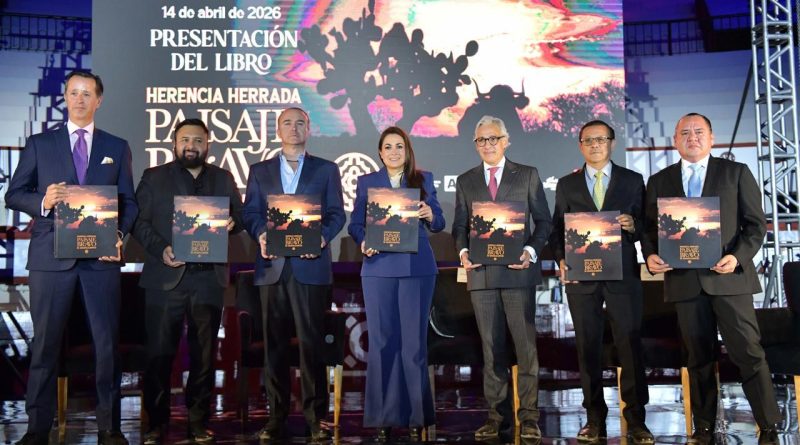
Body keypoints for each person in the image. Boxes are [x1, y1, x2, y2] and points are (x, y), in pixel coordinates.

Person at [6, 71, 137, 445]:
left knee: (106, 345)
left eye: (87, 93)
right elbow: (14, 194)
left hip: (100, 261)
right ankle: (37, 428)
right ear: (65, 97)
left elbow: (128, 202)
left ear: (99, 100)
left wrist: (117, 234)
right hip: (50, 258)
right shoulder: (40, 144)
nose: (80, 99)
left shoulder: (117, 146)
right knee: (45, 345)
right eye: (74, 92)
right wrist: (43, 201)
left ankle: (109, 427)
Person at [641, 113, 780, 445]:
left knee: (748, 352)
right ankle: (703, 426)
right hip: (685, 283)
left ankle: (769, 424)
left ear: (712, 138)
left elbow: (756, 224)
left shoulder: (735, 172)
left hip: (729, 279)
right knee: (698, 357)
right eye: (685, 132)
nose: (692, 137)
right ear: (675, 140)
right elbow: (648, 228)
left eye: (699, 131)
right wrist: (650, 254)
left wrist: (738, 257)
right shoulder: (659, 180)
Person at [132, 118, 244, 445]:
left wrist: (232, 222)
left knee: (204, 356)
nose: (191, 146)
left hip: (208, 279)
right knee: (159, 355)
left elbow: (239, 216)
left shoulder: (223, 178)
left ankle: (197, 422)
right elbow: (138, 222)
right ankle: (156, 423)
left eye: (197, 140)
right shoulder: (154, 177)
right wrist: (161, 249)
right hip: (165, 277)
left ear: (207, 145)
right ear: (174, 143)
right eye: (184, 140)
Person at [242, 107, 345, 442]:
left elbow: (336, 214)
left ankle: (316, 418)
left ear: (309, 129)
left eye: (300, 122)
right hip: (272, 268)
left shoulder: (326, 169)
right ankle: (276, 417)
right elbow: (250, 213)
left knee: (312, 345)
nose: (294, 127)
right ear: (278, 129)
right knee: (274, 347)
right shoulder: (259, 171)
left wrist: (321, 238)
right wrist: (261, 234)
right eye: (287, 122)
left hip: (310, 267)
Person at [549, 120, 654, 444]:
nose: (595, 145)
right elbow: (557, 230)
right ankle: (593, 417)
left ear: (612, 143)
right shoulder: (567, 184)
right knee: (587, 347)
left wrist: (633, 225)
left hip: (622, 275)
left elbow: (647, 225)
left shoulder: (632, 180)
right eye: (588, 140)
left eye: (601, 139)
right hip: (582, 278)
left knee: (630, 345)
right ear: (580, 145)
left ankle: (636, 420)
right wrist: (561, 258)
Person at [452, 115, 552, 440]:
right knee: (491, 350)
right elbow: (460, 226)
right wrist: (463, 252)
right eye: (481, 140)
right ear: (475, 144)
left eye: (494, 138)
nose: (488, 144)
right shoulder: (466, 181)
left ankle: (530, 418)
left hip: (517, 273)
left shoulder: (527, 175)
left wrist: (530, 251)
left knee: (525, 349)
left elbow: (544, 222)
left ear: (506, 141)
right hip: (481, 275)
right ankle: (497, 418)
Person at [347, 127, 444, 441]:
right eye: (387, 147)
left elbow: (440, 221)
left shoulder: (423, 179)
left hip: (417, 268)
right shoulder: (367, 182)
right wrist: (364, 241)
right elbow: (355, 224)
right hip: (378, 268)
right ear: (380, 152)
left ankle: (417, 417)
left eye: (399, 146)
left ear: (407, 150)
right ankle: (384, 418)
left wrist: (430, 214)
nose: (393, 152)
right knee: (382, 344)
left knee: (414, 346)